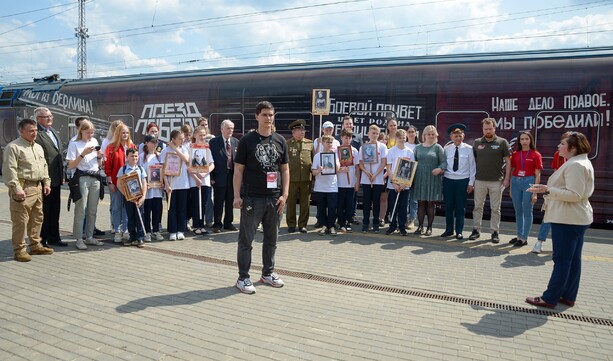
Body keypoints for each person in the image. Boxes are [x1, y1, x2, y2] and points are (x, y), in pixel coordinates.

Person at [525, 132, 594, 309]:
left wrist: (547, 190)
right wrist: (547, 188)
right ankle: (568, 295)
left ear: (572, 148)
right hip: (575, 218)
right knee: (573, 259)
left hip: (568, 218)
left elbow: (574, 194)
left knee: (562, 260)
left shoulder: (575, 165)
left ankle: (550, 297)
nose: (559, 146)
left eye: (562, 144)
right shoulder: (578, 162)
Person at [233, 101, 289, 294]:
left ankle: (267, 273)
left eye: (271, 115)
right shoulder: (247, 141)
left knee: (271, 239)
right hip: (252, 198)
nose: (268, 118)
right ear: (257, 116)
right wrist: (236, 196)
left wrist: (285, 195)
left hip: (274, 199)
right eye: (264, 115)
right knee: (246, 240)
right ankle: (243, 277)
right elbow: (238, 170)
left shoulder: (280, 141)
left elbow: (285, 169)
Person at [2, 118, 54, 262]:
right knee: (20, 221)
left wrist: (46, 183)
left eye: (36, 130)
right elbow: (9, 170)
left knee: (37, 219)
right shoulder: (13, 147)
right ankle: (19, 250)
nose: (34, 133)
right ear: (21, 131)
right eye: (31, 131)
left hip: (37, 187)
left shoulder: (37, 147)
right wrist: (16, 188)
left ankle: (35, 245)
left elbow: (44, 166)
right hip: (23, 188)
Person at [468, 118, 511, 243]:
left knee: (495, 208)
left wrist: (507, 179)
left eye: (490, 128)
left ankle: (494, 232)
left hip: (496, 181)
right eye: (485, 129)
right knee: (477, 207)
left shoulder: (502, 142)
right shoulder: (477, 143)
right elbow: (473, 162)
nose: (488, 131)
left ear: (494, 128)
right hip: (480, 180)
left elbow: (508, 161)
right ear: (482, 129)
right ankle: (476, 230)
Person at [66, 120, 105, 250]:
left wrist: (99, 157)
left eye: (92, 132)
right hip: (81, 177)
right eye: (88, 132)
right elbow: (70, 165)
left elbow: (99, 165)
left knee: (92, 210)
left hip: (95, 176)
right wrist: (83, 154)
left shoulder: (94, 142)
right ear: (81, 131)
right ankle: (78, 238)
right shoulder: (75, 143)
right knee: (81, 209)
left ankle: (89, 236)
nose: (90, 135)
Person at [33, 107, 66, 247]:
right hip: (44, 178)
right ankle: (42, 239)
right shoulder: (37, 133)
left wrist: (62, 175)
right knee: (44, 210)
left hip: (56, 178)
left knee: (55, 209)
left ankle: (54, 237)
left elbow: (58, 155)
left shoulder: (52, 131)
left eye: (50, 116)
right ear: (38, 119)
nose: (50, 118)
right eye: (46, 116)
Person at [441, 124, 476, 240]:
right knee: (449, 206)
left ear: (463, 136)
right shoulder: (446, 149)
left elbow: (472, 167)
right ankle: (449, 229)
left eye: (460, 136)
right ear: (451, 137)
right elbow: (443, 164)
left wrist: (471, 183)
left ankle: (459, 231)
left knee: (460, 207)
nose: (458, 138)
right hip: (449, 180)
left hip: (463, 180)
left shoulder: (469, 149)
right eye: (455, 136)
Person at [509, 131, 543, 247]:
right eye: (522, 139)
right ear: (519, 141)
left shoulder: (535, 154)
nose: (524, 141)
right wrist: (510, 188)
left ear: (530, 140)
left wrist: (535, 192)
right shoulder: (515, 154)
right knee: (518, 211)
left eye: (526, 139)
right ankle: (519, 235)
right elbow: (512, 170)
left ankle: (524, 238)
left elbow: (538, 174)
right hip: (516, 182)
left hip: (529, 182)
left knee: (527, 211)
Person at [412, 125, 446, 236]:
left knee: (431, 204)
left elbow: (444, 162)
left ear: (436, 135)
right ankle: (420, 226)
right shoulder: (417, 147)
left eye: (433, 134)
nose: (430, 136)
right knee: (421, 203)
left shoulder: (438, 148)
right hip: (420, 178)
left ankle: (429, 228)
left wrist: (440, 169)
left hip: (433, 178)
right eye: (428, 134)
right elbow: (412, 162)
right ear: (424, 135)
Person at [105, 123, 136, 242]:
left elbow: (135, 162)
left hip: (130, 182)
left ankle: (126, 230)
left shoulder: (132, 146)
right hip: (116, 182)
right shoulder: (111, 147)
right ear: (118, 133)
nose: (125, 135)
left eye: (127, 133)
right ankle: (117, 230)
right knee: (117, 206)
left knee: (127, 207)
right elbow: (108, 166)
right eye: (123, 132)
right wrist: (110, 182)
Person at [533, 148, 566, 254]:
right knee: (548, 214)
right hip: (556, 188)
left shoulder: (577, 158)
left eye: (563, 143)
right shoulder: (558, 154)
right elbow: (555, 172)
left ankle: (560, 245)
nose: (560, 146)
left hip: (570, 190)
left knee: (565, 218)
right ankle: (539, 242)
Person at [209, 119, 239, 233]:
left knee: (230, 200)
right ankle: (217, 224)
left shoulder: (236, 142)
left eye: (232, 128)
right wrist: (211, 177)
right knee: (218, 201)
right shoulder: (214, 142)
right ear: (222, 129)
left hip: (232, 176)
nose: (230, 130)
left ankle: (228, 223)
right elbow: (210, 160)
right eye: (228, 128)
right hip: (219, 176)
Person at [160, 129, 191, 240]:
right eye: (180, 138)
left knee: (182, 208)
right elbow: (163, 169)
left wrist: (175, 149)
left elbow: (186, 159)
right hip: (171, 184)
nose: (182, 140)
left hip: (183, 184)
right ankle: (172, 230)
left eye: (183, 138)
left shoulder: (184, 149)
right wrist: (166, 184)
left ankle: (180, 230)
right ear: (173, 139)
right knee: (171, 208)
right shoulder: (165, 151)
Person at [358, 125, 388, 233]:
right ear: (368, 134)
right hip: (366, 179)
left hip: (378, 179)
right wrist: (366, 172)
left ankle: (376, 223)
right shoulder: (363, 147)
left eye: (376, 133)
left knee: (376, 202)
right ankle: (365, 222)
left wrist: (375, 174)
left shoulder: (382, 147)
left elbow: (384, 162)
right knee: (366, 202)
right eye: (373, 133)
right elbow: (360, 163)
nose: (374, 135)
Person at [385, 129, 415, 236]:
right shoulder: (391, 151)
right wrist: (394, 182)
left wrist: (404, 184)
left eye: (403, 137)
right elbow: (388, 168)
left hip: (404, 185)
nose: (402, 140)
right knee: (393, 206)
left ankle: (402, 227)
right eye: (400, 138)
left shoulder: (409, 152)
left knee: (403, 207)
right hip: (393, 184)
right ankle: (392, 226)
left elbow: (411, 169)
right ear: (396, 138)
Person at [286, 119, 313, 233]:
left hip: (306, 178)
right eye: (299, 130)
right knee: (291, 202)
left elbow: (313, 159)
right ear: (293, 132)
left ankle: (302, 224)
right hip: (292, 178)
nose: (302, 132)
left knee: (305, 203)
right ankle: (291, 224)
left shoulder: (310, 144)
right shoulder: (287, 144)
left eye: (303, 130)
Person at [117, 148, 147, 248]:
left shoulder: (141, 169)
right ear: (127, 157)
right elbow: (119, 184)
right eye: (132, 156)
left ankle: (140, 237)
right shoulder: (123, 169)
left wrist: (143, 197)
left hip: (139, 197)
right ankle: (132, 236)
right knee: (130, 217)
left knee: (139, 217)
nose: (134, 158)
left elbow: (144, 183)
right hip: (129, 198)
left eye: (136, 156)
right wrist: (126, 195)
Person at [335, 115, 362, 226]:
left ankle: (347, 221)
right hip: (340, 182)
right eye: (345, 137)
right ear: (341, 138)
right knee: (340, 203)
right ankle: (340, 221)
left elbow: (357, 167)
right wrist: (341, 169)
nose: (347, 139)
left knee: (350, 203)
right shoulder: (337, 150)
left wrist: (357, 182)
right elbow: (335, 166)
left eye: (349, 137)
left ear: (351, 138)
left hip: (351, 182)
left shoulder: (355, 151)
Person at [188, 126, 215, 235]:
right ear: (195, 135)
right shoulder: (190, 148)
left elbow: (212, 164)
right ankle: (196, 225)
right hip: (194, 180)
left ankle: (201, 225)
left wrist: (204, 174)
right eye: (200, 135)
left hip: (205, 180)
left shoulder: (207, 148)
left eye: (204, 135)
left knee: (203, 203)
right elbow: (188, 165)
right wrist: (196, 176)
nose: (202, 137)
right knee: (195, 203)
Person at [312, 134, 339, 236]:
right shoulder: (317, 156)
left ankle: (331, 226)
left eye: (331, 142)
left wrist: (333, 158)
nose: (329, 144)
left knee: (332, 208)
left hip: (332, 187)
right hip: (320, 187)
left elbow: (338, 169)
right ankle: (323, 225)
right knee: (321, 208)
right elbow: (313, 171)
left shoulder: (335, 155)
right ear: (322, 143)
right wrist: (319, 170)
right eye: (327, 142)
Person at [139, 135, 164, 241]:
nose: (154, 144)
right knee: (147, 212)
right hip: (147, 190)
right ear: (146, 143)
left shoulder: (159, 156)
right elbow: (139, 173)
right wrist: (144, 184)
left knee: (157, 211)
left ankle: (156, 230)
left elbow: (163, 171)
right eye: (152, 142)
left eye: (156, 142)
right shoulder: (141, 157)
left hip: (157, 190)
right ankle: (147, 231)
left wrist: (162, 181)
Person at [405, 125, 420, 230]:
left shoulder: (419, 146)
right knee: (405, 198)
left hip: (415, 175)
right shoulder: (403, 145)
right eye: (409, 131)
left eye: (412, 132)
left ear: (416, 133)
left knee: (414, 199)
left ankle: (412, 219)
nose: (410, 133)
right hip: (404, 174)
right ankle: (404, 218)